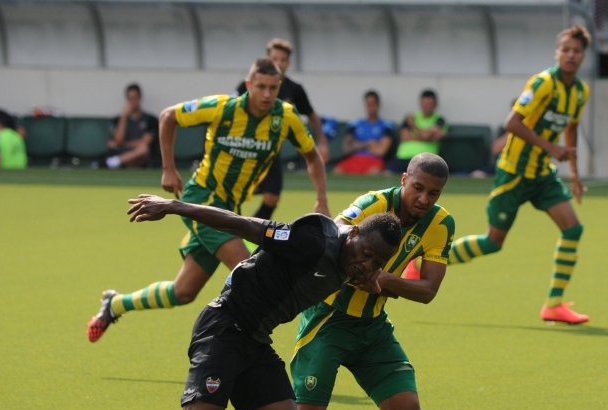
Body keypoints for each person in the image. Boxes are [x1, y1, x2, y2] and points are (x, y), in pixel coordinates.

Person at [70, 194, 402, 410]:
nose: (367, 265)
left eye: (377, 262)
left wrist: (374, 278)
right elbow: (243, 225)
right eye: (365, 254)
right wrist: (173, 206)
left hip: (255, 338)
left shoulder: (355, 262)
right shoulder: (313, 240)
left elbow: (367, 269)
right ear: (352, 235)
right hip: (224, 327)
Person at [187, 153, 454, 410]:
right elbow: (337, 236)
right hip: (328, 320)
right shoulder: (374, 204)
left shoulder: (441, 223)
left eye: (434, 193)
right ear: (404, 179)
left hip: (373, 326)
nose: (425, 199)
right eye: (418, 188)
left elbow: (428, 290)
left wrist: (382, 280)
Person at [86, 58, 330, 343]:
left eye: (273, 88)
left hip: (231, 208)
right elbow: (168, 116)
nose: (266, 94)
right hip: (202, 199)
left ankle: (113, 304)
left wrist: (321, 201)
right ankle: (238, 348)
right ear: (249, 85)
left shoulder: (285, 117)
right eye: (260, 87)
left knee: (183, 292)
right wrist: (169, 168)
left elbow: (312, 156)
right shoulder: (224, 108)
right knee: (248, 267)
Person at [448, 25, 592, 325]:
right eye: (565, 49)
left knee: (573, 229)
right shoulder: (542, 83)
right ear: (557, 52)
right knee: (493, 242)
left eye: (576, 51)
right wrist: (550, 147)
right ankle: (424, 261)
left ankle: (554, 305)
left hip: (542, 175)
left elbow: (572, 127)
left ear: (582, 57)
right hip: (513, 173)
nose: (570, 55)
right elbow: (512, 123)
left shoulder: (580, 91)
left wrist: (575, 175)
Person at [236, 38, 330, 220]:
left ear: (288, 63)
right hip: (242, 149)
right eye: (274, 58)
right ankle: (232, 236)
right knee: (232, 198)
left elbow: (312, 116)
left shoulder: (293, 92)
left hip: (270, 151)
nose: (278, 63)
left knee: (272, 198)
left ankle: (247, 238)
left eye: (282, 59)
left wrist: (323, 143)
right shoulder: (245, 86)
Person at [385, 90, 448, 175]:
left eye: (430, 104)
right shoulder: (411, 116)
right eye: (424, 103)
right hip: (403, 157)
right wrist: (427, 138)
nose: (427, 106)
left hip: (426, 160)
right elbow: (405, 136)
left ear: (435, 104)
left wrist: (413, 125)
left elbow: (427, 136)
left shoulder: (439, 120)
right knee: (387, 173)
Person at [333, 91, 394, 175]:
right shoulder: (355, 124)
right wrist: (369, 144)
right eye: (368, 104)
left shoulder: (386, 125)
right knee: (337, 171)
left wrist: (356, 145)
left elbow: (381, 151)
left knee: (374, 173)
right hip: (354, 159)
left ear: (378, 105)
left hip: (374, 160)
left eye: (373, 103)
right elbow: (346, 149)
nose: (370, 107)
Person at [105, 84, 159, 169]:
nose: (132, 101)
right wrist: (124, 116)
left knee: (143, 149)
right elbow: (118, 139)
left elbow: (144, 143)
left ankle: (114, 162)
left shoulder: (151, 120)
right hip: (122, 152)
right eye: (130, 98)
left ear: (140, 98)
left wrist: (123, 144)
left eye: (135, 98)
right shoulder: (118, 120)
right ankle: (121, 162)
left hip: (140, 156)